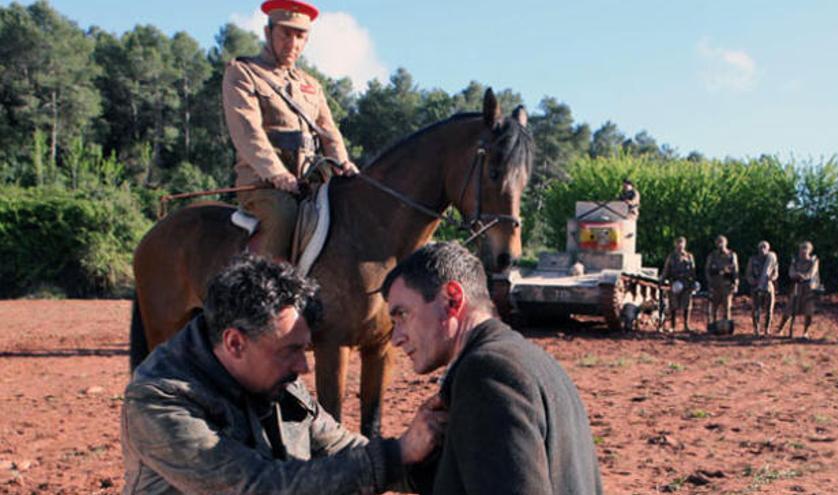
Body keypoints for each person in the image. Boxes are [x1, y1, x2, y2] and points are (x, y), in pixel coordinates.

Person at [122, 255, 445, 494]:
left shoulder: (277, 381)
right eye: (290, 350)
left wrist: (432, 464)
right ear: (235, 342)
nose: (303, 368)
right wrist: (397, 453)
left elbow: (342, 447)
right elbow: (257, 487)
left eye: (303, 350)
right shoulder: (158, 400)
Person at [382, 242, 604, 495]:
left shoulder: (486, 374)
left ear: (451, 300)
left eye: (403, 315)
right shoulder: (537, 362)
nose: (396, 338)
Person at [223, 0, 358, 260]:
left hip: (311, 182)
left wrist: (343, 164)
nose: (293, 43)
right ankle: (267, 289)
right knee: (284, 214)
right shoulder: (243, 73)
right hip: (263, 185)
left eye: (300, 36)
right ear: (268, 32)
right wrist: (277, 174)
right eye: (286, 33)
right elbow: (248, 133)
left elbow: (329, 133)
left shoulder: (311, 85)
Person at [776, 241, 820, 339]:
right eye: (802, 248)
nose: (803, 251)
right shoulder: (795, 261)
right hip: (797, 286)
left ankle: (805, 332)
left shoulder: (813, 261)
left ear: (810, 250)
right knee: (789, 308)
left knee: (808, 310)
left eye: (806, 248)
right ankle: (780, 329)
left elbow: (812, 273)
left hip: (809, 287)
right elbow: (791, 272)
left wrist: (804, 276)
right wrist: (796, 275)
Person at [660, 236, 697, 332]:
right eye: (678, 242)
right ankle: (673, 326)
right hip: (674, 282)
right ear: (675, 244)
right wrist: (662, 279)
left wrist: (693, 282)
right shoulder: (671, 257)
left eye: (682, 243)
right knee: (673, 305)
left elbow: (693, 271)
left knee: (687, 305)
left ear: (685, 244)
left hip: (686, 283)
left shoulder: (689, 256)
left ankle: (686, 325)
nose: (680, 245)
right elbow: (666, 269)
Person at [705, 235, 739, 332]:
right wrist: (710, 282)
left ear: (726, 243)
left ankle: (727, 327)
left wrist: (735, 283)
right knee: (713, 307)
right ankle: (713, 326)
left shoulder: (731, 255)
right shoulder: (712, 255)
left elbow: (735, 271)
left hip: (727, 284)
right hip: (715, 284)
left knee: (727, 306)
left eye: (722, 242)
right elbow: (707, 270)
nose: (720, 244)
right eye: (718, 242)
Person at [745, 241, 779, 336]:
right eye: (761, 247)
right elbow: (748, 273)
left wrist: (771, 278)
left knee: (769, 309)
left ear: (768, 248)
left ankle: (767, 329)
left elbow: (776, 273)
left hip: (768, 286)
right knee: (756, 309)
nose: (763, 249)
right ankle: (756, 329)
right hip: (756, 287)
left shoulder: (772, 259)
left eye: (765, 247)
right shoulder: (753, 259)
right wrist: (753, 281)